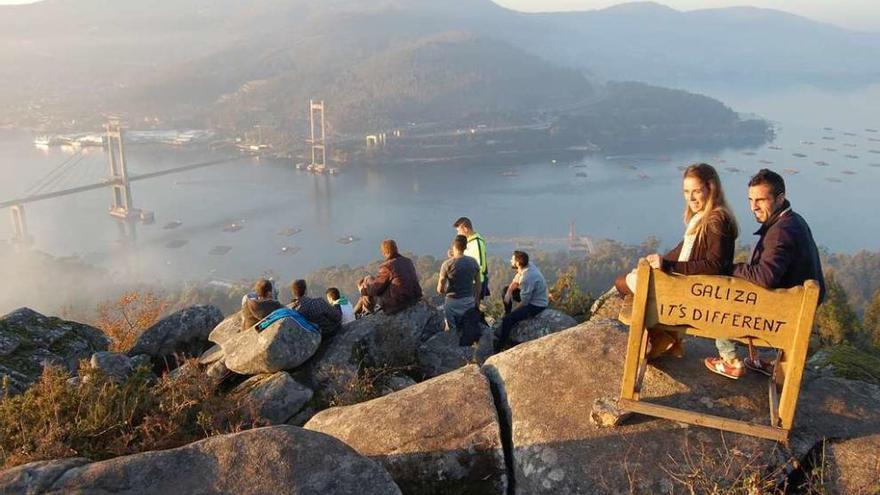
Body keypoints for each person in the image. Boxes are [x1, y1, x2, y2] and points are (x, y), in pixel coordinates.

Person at [705, 169, 826, 379]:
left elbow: (765, 276)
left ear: (780, 198)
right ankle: (755, 359)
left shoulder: (781, 232)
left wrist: (728, 268)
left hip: (782, 316)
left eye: (761, 200)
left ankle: (730, 360)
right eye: (751, 199)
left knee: (722, 297)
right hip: (794, 310)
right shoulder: (793, 221)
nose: (753, 206)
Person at [615, 163, 739, 359]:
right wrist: (660, 261)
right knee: (632, 278)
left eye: (696, 191)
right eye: (686, 191)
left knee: (622, 284)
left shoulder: (716, 220)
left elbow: (715, 265)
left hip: (695, 293)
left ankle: (663, 336)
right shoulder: (704, 217)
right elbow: (683, 249)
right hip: (691, 285)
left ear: (711, 188)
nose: (690, 198)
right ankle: (664, 337)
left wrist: (668, 266)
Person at [495, 250, 548, 352]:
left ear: (518, 264)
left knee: (507, 320)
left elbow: (524, 303)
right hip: (531, 296)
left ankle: (499, 346)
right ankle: (507, 312)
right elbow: (517, 279)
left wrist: (514, 314)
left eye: (512, 259)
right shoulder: (528, 266)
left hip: (536, 304)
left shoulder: (527, 277)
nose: (511, 260)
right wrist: (509, 292)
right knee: (505, 290)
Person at [357, 239, 423, 315]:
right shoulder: (408, 261)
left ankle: (368, 312)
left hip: (398, 304)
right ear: (396, 249)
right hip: (415, 298)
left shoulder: (387, 266)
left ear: (384, 252)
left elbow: (376, 289)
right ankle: (364, 310)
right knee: (369, 284)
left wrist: (363, 289)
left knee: (367, 281)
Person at [437, 235, 482, 345]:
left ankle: (454, 349)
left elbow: (440, 288)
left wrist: (443, 292)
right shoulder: (473, 262)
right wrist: (476, 299)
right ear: (465, 247)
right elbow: (478, 283)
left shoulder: (447, 264)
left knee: (453, 332)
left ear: (454, 247)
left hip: (452, 303)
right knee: (467, 328)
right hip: (468, 301)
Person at [453, 217, 490, 305]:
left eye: (459, 231)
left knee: (472, 308)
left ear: (465, 229)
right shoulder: (469, 242)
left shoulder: (477, 243)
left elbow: (480, 266)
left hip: (474, 284)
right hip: (468, 282)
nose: (458, 234)